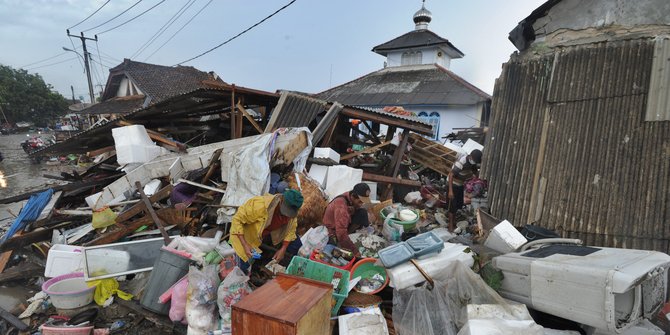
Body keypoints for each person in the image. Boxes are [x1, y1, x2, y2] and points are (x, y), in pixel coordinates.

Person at [229, 189, 304, 271]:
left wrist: (283, 248)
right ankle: (256, 265)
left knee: (296, 244)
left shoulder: (292, 213)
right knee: (242, 268)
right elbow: (237, 220)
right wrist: (245, 244)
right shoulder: (260, 205)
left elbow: (291, 229)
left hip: (268, 234)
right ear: (281, 199)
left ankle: (271, 264)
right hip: (246, 237)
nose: (287, 217)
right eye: (285, 212)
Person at [322, 183, 372, 258]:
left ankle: (350, 234)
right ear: (353, 197)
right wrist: (355, 251)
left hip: (342, 221)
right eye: (360, 202)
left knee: (362, 212)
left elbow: (354, 209)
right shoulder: (341, 206)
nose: (361, 204)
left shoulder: (349, 196)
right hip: (332, 230)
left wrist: (354, 209)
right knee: (337, 247)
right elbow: (341, 234)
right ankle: (347, 237)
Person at [447, 149, 482, 231]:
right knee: (452, 205)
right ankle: (450, 226)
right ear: (470, 157)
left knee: (458, 204)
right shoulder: (461, 162)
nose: (475, 162)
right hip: (453, 184)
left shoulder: (472, 163)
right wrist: (450, 191)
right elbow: (451, 175)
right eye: (474, 160)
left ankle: (454, 221)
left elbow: (475, 173)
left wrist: (478, 182)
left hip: (460, 184)